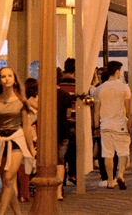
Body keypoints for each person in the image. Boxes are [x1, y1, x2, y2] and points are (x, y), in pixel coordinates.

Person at [0, 65, 36, 215]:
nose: (6, 79)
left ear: (14, 80)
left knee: (9, 177)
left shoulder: (21, 101)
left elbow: (26, 126)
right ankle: (17, 213)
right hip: (0, 139)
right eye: (3, 76)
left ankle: (1, 213)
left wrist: (32, 148)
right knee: (6, 182)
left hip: (16, 139)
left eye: (9, 76)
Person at [94, 60, 132, 190]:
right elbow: (128, 109)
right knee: (123, 152)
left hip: (105, 124)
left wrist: (96, 126)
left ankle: (110, 181)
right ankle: (120, 175)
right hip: (121, 123)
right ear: (117, 71)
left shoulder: (99, 89)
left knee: (107, 154)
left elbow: (97, 110)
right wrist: (130, 123)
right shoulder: (124, 88)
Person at [57, 58, 77, 188]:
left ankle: (61, 180)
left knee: (60, 155)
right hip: (72, 121)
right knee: (72, 150)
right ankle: (72, 174)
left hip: (60, 121)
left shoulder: (59, 84)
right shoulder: (78, 84)